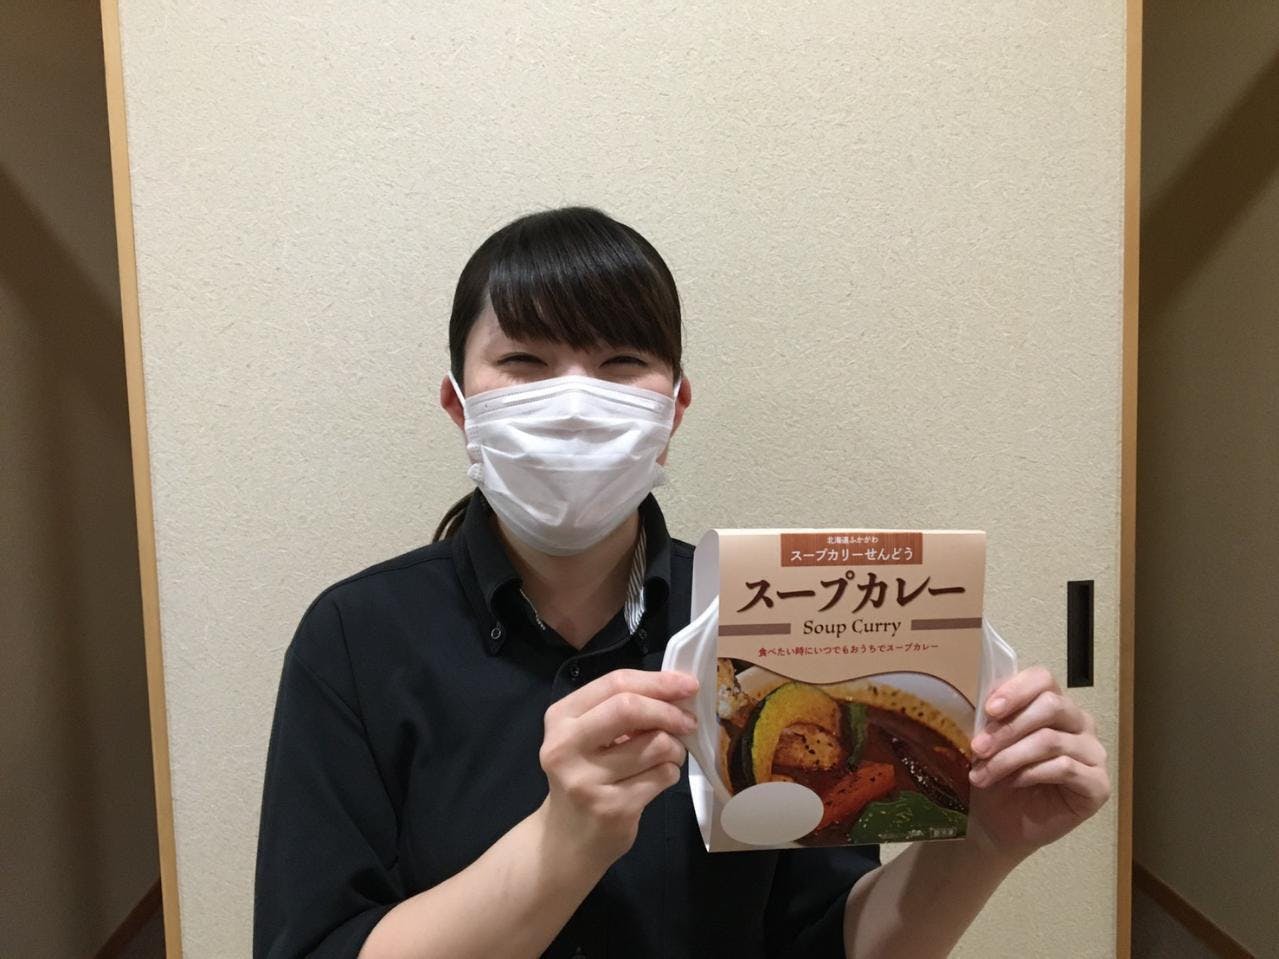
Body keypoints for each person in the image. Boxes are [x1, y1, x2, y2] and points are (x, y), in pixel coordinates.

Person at [253, 206, 1110, 959]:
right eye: (524, 361)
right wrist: (565, 840)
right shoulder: (355, 636)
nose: (575, 402)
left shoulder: (769, 620)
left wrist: (986, 845)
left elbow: (829, 941)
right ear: (458, 404)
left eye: (621, 361)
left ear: (674, 407)